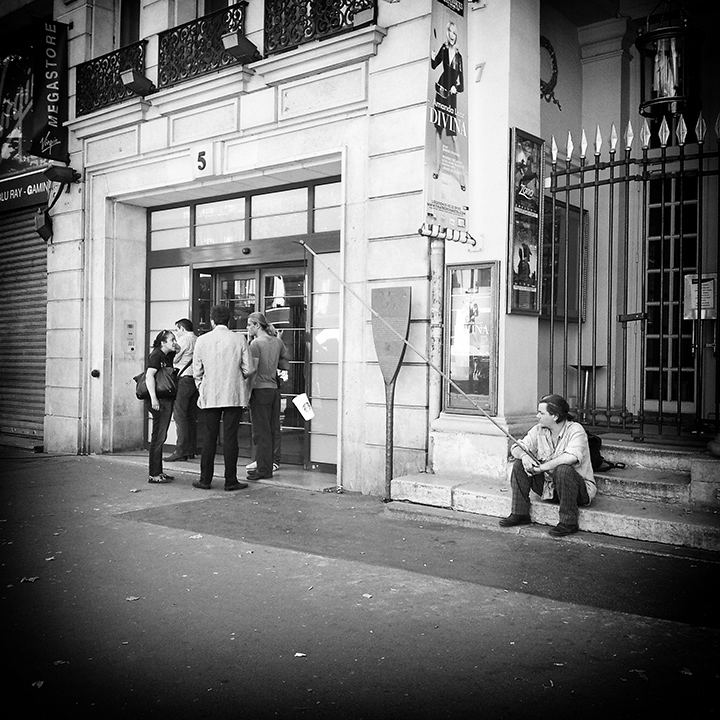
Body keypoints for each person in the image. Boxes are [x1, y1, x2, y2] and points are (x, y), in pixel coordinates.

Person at [499, 394, 596, 537]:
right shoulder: (538, 429)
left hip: (577, 492)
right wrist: (524, 455)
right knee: (519, 464)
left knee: (563, 469)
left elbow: (570, 457)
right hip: (549, 489)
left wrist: (543, 467)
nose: (537, 416)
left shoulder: (576, 430)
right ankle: (520, 513)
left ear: (555, 416)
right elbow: (516, 447)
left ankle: (568, 522)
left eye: (541, 413)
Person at [192, 304, 253, 491]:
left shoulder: (202, 340)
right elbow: (249, 368)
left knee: (209, 437)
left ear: (211, 320)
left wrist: (202, 387)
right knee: (231, 437)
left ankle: (205, 480)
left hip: (210, 394)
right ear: (230, 320)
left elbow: (197, 371)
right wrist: (238, 378)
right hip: (233, 394)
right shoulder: (239, 339)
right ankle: (230, 480)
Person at [246, 311, 290, 481]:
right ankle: (268, 465)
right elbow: (286, 361)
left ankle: (263, 469)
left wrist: (247, 392)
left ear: (257, 325)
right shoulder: (277, 342)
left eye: (250, 324)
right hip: (273, 390)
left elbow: (253, 370)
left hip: (259, 389)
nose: (248, 327)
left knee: (260, 432)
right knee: (271, 429)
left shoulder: (256, 344)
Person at [431, 20, 466, 191]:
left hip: (451, 96)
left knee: (453, 134)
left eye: (454, 32)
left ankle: (461, 176)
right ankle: (437, 167)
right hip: (441, 90)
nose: (452, 35)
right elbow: (434, 64)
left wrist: (456, 87)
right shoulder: (444, 49)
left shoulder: (459, 56)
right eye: (450, 32)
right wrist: (432, 55)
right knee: (438, 129)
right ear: (447, 33)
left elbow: (462, 83)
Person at [146, 329, 179, 483]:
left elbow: (177, 350)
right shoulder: (157, 355)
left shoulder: (166, 355)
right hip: (159, 401)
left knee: (160, 436)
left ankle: (158, 471)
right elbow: (149, 376)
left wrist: (174, 348)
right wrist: (154, 399)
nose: (174, 342)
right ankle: (154, 473)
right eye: (171, 340)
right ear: (162, 342)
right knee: (158, 437)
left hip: (164, 400)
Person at [164, 318, 198, 463]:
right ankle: (190, 449)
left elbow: (175, 359)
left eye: (177, 330)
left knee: (180, 415)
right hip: (195, 379)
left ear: (182, 328)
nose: (177, 334)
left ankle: (181, 450)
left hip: (184, 379)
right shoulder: (198, 339)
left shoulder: (185, 340)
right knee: (190, 415)